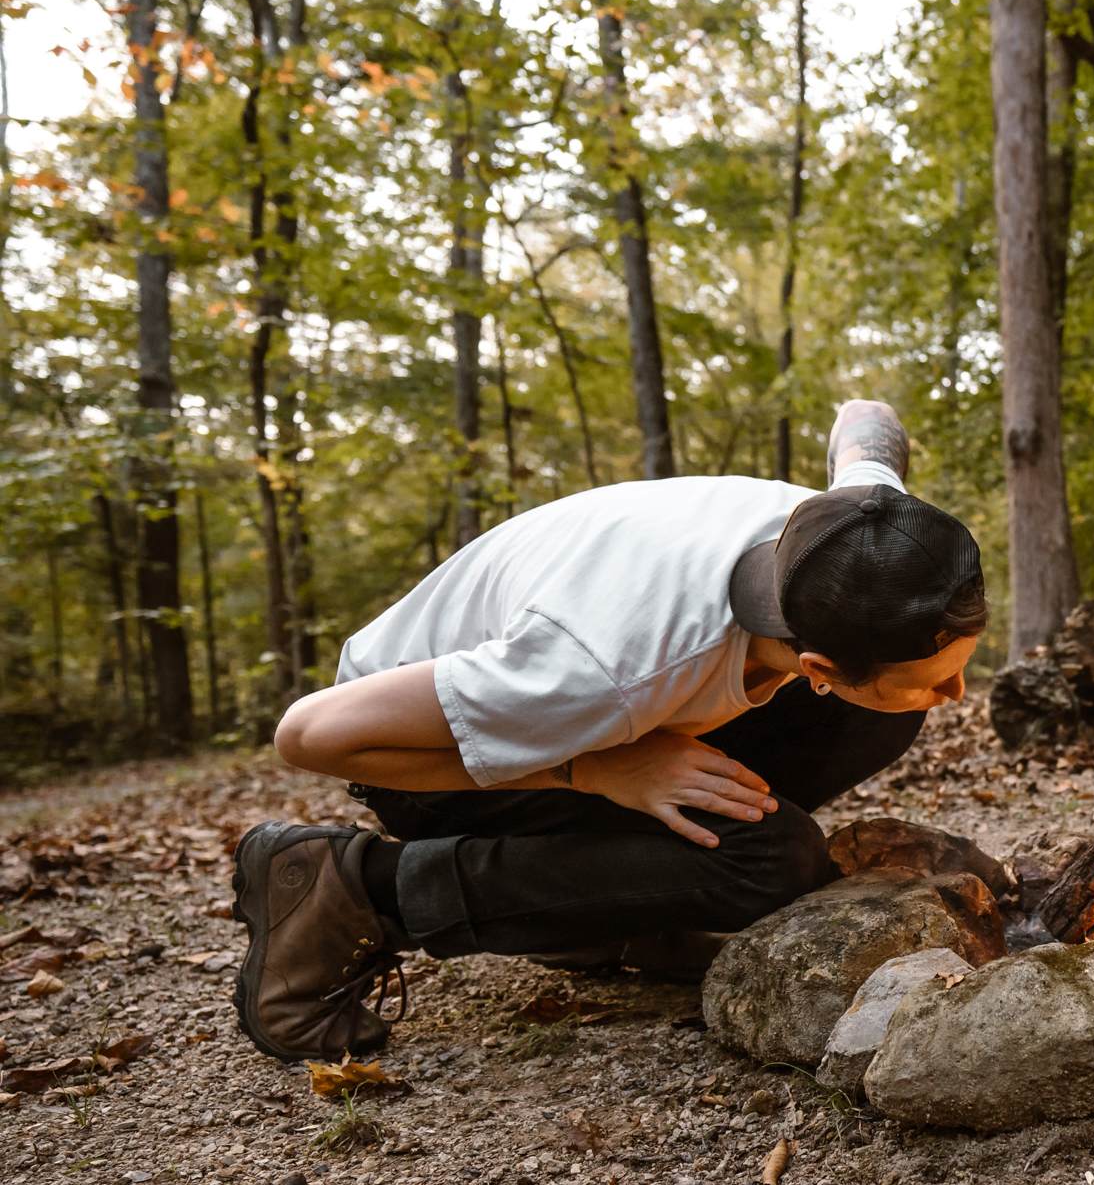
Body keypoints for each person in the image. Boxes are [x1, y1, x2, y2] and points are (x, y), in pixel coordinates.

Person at [229, 400, 985, 1062]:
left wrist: (626, 751)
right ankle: (355, 888)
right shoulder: (601, 668)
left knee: (885, 712)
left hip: (594, 711)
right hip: (427, 740)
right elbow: (309, 734)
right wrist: (590, 769)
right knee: (767, 862)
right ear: (815, 662)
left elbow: (867, 420)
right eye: (939, 672)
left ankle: (622, 902)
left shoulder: (862, 525)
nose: (957, 691)